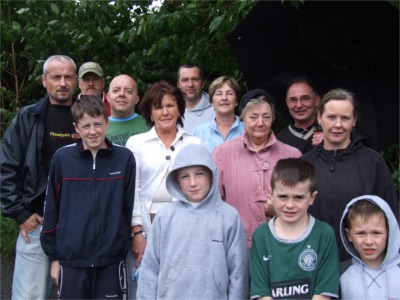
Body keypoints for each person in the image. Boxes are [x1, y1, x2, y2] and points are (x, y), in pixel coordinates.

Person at [0, 55, 80, 299]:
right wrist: (21, 213)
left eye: (68, 77)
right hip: (38, 225)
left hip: (80, 226)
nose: (63, 82)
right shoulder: (28, 118)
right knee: (30, 296)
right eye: (56, 77)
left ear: (76, 81)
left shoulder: (87, 117)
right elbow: (6, 167)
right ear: (45, 81)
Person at [40, 95, 136, 299]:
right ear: (76, 127)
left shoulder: (124, 158)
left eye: (98, 124)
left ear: (107, 123)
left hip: (111, 260)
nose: (93, 132)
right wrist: (55, 257)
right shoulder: (62, 159)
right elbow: (51, 208)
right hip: (71, 260)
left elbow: (129, 206)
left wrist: (119, 241)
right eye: (86, 126)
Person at [137, 143, 249, 299]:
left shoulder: (229, 216)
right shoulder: (165, 216)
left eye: (199, 174)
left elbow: (238, 273)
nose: (193, 183)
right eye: (185, 176)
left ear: (211, 175)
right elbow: (150, 269)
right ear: (176, 180)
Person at [301, 88, 399, 261]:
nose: (338, 125)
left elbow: (391, 214)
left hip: (361, 263)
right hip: (312, 261)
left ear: (354, 121)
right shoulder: (304, 164)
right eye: (331, 117)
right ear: (319, 118)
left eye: (345, 118)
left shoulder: (372, 162)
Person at [125, 81, 201, 276]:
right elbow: (133, 190)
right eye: (158, 107)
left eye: (170, 106)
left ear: (179, 110)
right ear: (150, 113)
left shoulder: (194, 142)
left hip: (187, 226)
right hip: (148, 224)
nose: (165, 112)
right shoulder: (136, 143)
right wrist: (137, 233)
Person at [213, 89, 302, 248]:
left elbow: (304, 205)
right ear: (242, 119)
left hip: (283, 244)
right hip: (236, 244)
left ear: (273, 118)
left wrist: (280, 212)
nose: (260, 123)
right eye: (253, 117)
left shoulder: (292, 155)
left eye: (266, 117)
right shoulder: (222, 154)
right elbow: (214, 203)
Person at [250, 158, 339, 299]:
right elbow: (261, 293)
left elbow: (323, 292)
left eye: (298, 198)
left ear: (312, 197)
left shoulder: (324, 234)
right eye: (283, 197)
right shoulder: (261, 236)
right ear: (270, 194)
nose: (290, 205)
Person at [340, 195, 400, 299]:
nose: (368, 241)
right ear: (349, 235)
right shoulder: (340, 273)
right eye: (360, 233)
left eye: (376, 233)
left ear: (389, 233)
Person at [191, 75, 244, 152]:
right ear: (211, 102)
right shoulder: (198, 133)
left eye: (229, 93)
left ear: (236, 101)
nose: (224, 98)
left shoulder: (248, 130)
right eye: (219, 94)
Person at [276, 76, 323, 153]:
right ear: (287, 103)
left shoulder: (332, 133)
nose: (299, 105)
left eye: (305, 98)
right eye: (293, 100)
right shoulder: (278, 141)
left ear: (317, 100)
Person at [106, 74, 148, 146]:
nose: (122, 94)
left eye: (129, 91)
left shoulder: (149, 125)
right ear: (108, 97)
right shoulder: (98, 128)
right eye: (116, 90)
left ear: (137, 99)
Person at [176, 63, 215, 131]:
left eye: (195, 79)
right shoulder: (171, 109)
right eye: (185, 80)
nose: (190, 84)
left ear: (203, 83)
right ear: (178, 84)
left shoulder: (216, 109)